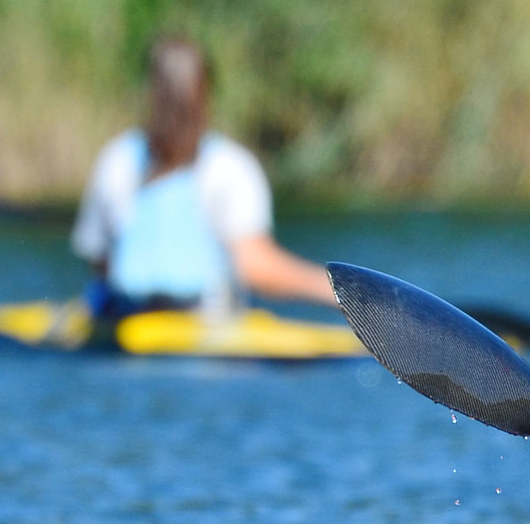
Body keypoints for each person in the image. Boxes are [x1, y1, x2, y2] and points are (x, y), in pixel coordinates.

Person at [70, 36, 337, 317]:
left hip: (126, 325)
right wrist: (341, 293)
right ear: (206, 91)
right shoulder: (230, 166)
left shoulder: (116, 159)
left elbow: (100, 263)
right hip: (208, 330)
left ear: (149, 92)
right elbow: (256, 268)